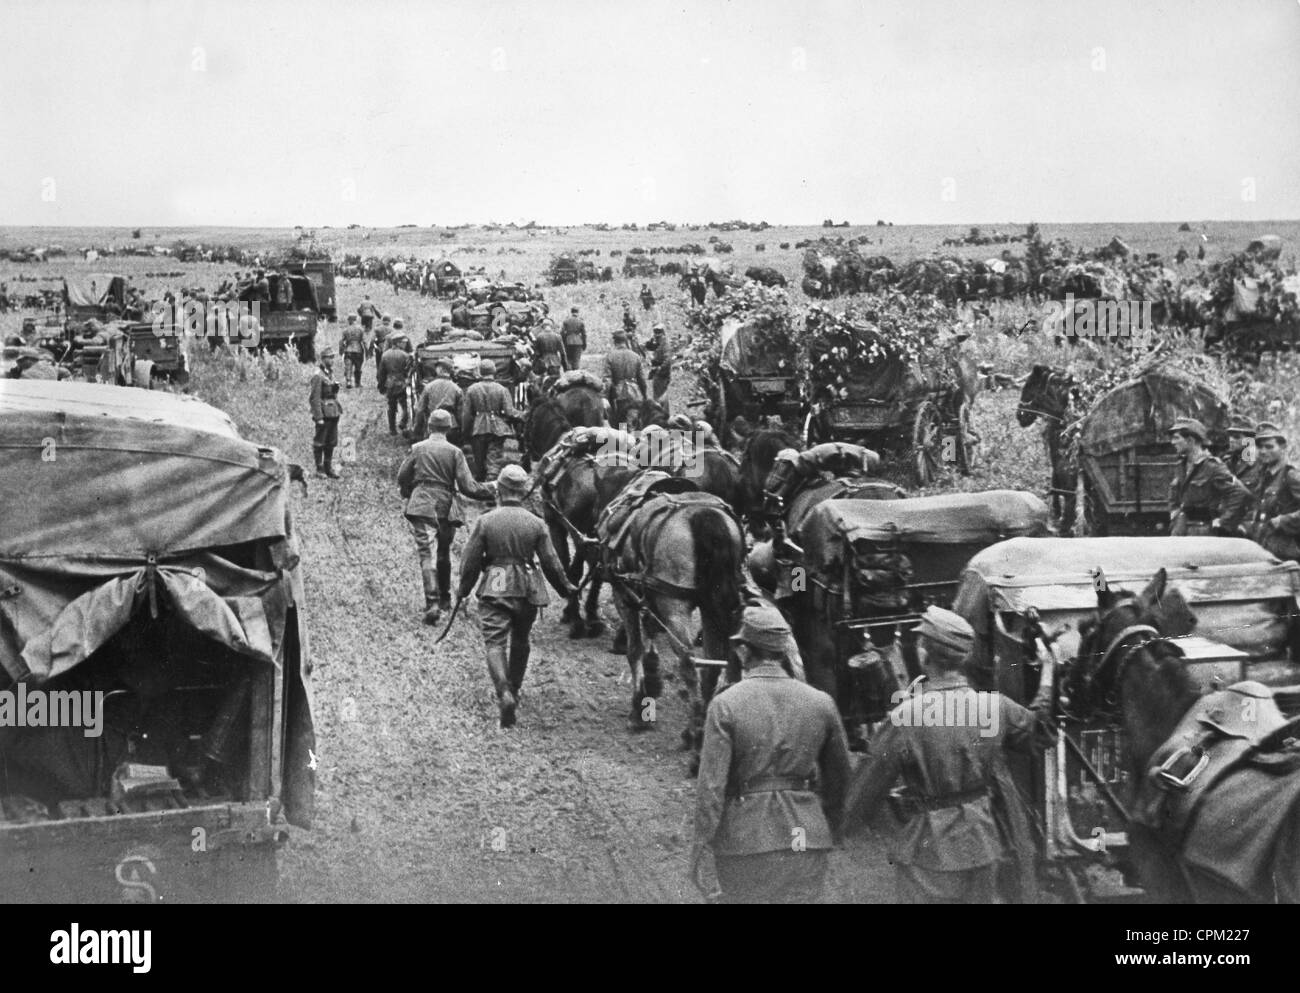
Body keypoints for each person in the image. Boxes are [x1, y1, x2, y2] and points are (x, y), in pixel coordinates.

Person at [841, 606, 1056, 904]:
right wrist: (1048, 673)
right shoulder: (994, 706)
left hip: (929, 850)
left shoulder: (908, 715)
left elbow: (866, 787)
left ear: (924, 654)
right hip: (983, 842)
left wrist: (839, 827)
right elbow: (1041, 731)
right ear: (963, 657)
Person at [691, 604, 851, 904]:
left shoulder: (726, 705)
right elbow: (841, 778)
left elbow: (711, 789)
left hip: (746, 842)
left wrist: (701, 844)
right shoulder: (821, 702)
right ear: (782, 650)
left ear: (742, 651)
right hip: (806, 838)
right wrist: (827, 826)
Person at [456, 465, 577, 727]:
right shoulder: (537, 523)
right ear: (522, 493)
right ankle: (515, 688)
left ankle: (504, 693)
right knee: (521, 639)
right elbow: (551, 562)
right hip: (527, 586)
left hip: (495, 585)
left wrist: (463, 590)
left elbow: (471, 562)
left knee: (495, 643)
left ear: (499, 489)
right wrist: (566, 589)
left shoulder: (486, 521)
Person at [397, 410, 496, 624]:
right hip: (446, 506)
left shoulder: (418, 448)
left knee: (427, 554)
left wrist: (408, 492)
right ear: (449, 428)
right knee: (443, 552)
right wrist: (492, 489)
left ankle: (432, 603)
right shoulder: (455, 452)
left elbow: (402, 476)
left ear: (430, 426)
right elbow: (468, 487)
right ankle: (445, 598)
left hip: (422, 504)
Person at [1166, 417, 1250, 537]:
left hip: (1203, 532)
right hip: (1180, 529)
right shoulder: (1181, 465)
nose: (1172, 442)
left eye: (1176, 438)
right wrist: (1174, 512)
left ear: (1190, 440)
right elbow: (1174, 493)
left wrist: (1223, 521)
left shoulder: (1212, 466)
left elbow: (1241, 493)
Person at [1246, 422, 1300, 564]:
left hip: (1285, 552)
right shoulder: (1263, 475)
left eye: (1269, 446)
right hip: (1263, 546)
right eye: (1260, 447)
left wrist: (1282, 521)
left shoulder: (1291, 475)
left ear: (1282, 448)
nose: (1263, 451)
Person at [462, 359, 520, 482]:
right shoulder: (502, 389)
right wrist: (522, 415)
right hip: (497, 428)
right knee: (494, 458)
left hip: (478, 428)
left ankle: (481, 484)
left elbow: (466, 414)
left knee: (479, 459)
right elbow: (509, 411)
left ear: (480, 372)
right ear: (494, 371)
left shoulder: (472, 389)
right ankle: (492, 482)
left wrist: (465, 431)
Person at [308, 346, 343, 478]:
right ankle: (320, 468)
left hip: (333, 411)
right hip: (324, 413)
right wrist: (318, 417)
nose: (332, 360)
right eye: (329, 357)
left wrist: (335, 388)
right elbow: (314, 398)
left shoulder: (329, 373)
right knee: (320, 442)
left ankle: (328, 467)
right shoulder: (318, 375)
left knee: (331, 441)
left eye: (333, 357)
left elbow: (331, 393)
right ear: (322, 359)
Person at [411, 359, 463, 440]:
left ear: (440, 369)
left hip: (433, 425)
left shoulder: (429, 387)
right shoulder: (457, 389)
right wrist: (463, 432)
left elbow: (420, 410)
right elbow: (460, 413)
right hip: (451, 427)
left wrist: (417, 431)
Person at [605, 330, 647, 424]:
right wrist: (644, 395)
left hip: (619, 396)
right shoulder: (635, 356)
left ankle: (623, 437)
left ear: (615, 342)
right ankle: (636, 437)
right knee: (635, 422)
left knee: (620, 424)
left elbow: (607, 380)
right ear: (626, 341)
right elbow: (642, 380)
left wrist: (605, 398)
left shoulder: (610, 356)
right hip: (635, 394)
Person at [377, 335, 413, 436]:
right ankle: (403, 422)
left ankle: (392, 429)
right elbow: (409, 371)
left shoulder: (385, 355)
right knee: (406, 405)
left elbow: (381, 373)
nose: (405, 344)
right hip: (402, 383)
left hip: (390, 384)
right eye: (403, 342)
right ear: (397, 343)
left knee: (391, 407)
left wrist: (381, 386)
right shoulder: (405, 355)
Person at [1223, 413, 1257, 485]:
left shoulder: (1260, 463)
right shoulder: (1228, 461)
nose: (1231, 440)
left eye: (1236, 437)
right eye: (1230, 436)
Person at [644, 323, 671, 401]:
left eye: (658, 333)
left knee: (660, 398)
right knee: (657, 396)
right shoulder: (659, 343)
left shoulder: (665, 344)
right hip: (658, 373)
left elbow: (667, 360)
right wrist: (651, 340)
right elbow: (648, 347)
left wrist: (659, 369)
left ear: (662, 333)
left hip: (662, 374)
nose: (656, 335)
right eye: (655, 333)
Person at [340, 314, 366, 389]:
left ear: (350, 320)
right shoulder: (361, 329)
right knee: (358, 367)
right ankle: (357, 383)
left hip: (348, 350)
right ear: (355, 320)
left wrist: (341, 351)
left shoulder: (346, 330)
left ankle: (349, 381)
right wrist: (367, 352)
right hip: (358, 350)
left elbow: (341, 341)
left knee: (348, 366)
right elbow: (364, 341)